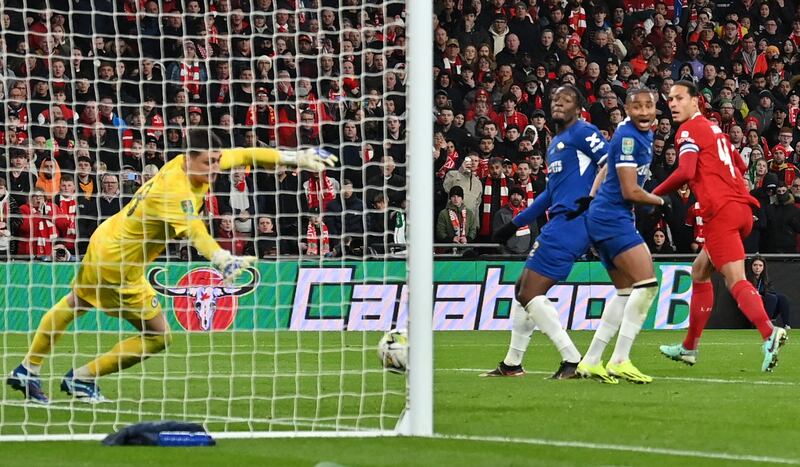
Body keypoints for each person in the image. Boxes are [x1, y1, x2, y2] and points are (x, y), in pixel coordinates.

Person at [6, 129, 335, 404]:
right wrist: (222, 258)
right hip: (120, 265)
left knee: (75, 303)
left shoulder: (190, 163)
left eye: (217, 161)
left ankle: (28, 369)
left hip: (107, 239)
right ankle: (82, 378)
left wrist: (296, 157)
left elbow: (247, 153)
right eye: (208, 163)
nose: (215, 168)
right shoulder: (176, 192)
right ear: (189, 159)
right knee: (158, 337)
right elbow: (195, 231)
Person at [656, 81, 787, 372]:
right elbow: (740, 166)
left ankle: (769, 332)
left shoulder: (687, 130)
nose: (673, 104)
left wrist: (653, 193)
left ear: (696, 101)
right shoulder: (715, 130)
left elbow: (686, 171)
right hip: (742, 208)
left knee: (735, 280)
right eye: (670, 99)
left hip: (721, 212)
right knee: (699, 272)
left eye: (679, 98)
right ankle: (689, 347)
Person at [482, 85, 607, 379]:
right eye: (555, 99)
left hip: (575, 221)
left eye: (566, 99)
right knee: (521, 290)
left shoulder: (584, 131)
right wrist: (513, 225)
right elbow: (549, 194)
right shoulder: (555, 144)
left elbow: (611, 164)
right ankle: (512, 363)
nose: (558, 103)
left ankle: (572, 359)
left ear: (579, 108)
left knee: (529, 291)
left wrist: (594, 203)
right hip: (560, 221)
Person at [575, 89, 666, 384]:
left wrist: (591, 197)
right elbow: (630, 191)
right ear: (627, 109)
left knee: (625, 292)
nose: (644, 111)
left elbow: (605, 167)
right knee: (647, 286)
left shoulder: (636, 133)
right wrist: (661, 201)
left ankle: (591, 361)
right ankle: (620, 360)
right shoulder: (629, 137)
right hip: (612, 218)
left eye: (649, 106)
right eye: (637, 106)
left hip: (605, 215)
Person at [748, 256, 792, 329]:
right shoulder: (747, 278)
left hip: (767, 305)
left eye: (760, 265)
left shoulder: (765, 279)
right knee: (771, 298)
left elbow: (770, 291)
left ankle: (786, 325)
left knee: (782, 298)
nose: (757, 268)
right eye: (755, 265)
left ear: (763, 267)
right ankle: (764, 325)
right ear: (751, 266)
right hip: (753, 306)